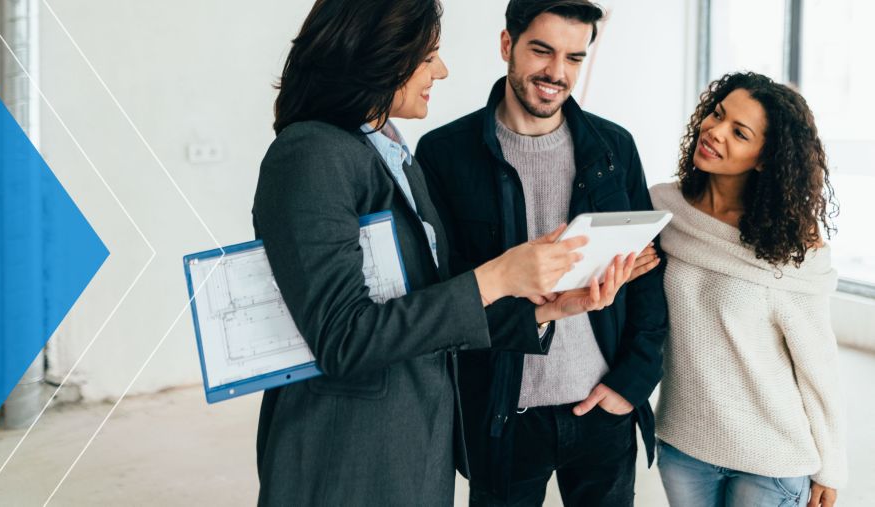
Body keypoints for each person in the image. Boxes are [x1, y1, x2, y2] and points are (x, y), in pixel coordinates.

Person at [251, 0, 627, 505]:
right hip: (351, 455)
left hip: (416, 438)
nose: (442, 71)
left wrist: (545, 309)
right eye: (428, 57)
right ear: (381, 56)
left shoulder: (390, 153)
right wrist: (496, 276)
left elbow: (432, 309)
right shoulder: (311, 154)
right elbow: (343, 338)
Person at [416, 1, 668, 505]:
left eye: (574, 58)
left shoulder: (614, 147)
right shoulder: (443, 154)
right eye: (542, 51)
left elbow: (647, 279)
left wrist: (632, 383)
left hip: (602, 408)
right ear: (507, 45)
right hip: (504, 414)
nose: (557, 72)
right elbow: (444, 295)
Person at [650, 72, 846, 507]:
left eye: (739, 133)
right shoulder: (662, 209)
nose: (714, 132)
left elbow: (818, 365)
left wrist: (830, 466)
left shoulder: (791, 246)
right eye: (717, 115)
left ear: (764, 158)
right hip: (684, 444)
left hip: (773, 456)